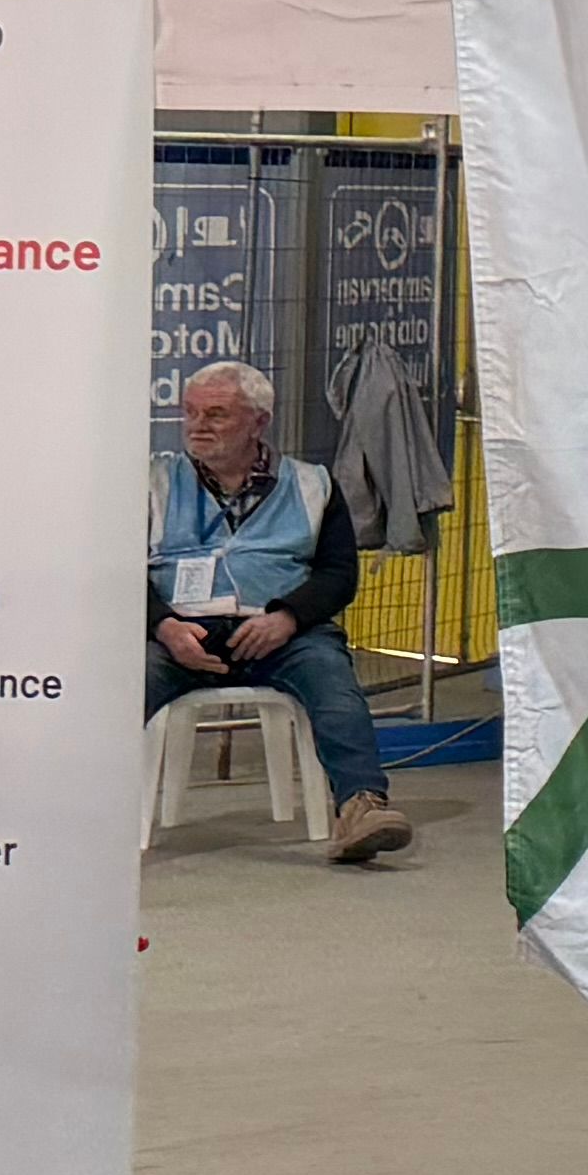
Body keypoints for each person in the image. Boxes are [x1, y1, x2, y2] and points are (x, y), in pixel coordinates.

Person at [139, 358, 407, 863]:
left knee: (331, 678)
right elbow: (119, 572)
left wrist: (287, 618)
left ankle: (361, 807)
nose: (198, 426)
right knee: (122, 688)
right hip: (178, 632)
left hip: (280, 632)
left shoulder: (313, 485)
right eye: (191, 413)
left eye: (216, 414)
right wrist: (164, 625)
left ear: (259, 422)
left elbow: (337, 574)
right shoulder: (152, 481)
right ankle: (70, 810)